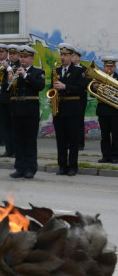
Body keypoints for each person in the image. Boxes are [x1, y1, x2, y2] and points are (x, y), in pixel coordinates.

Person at [7, 45, 46, 179]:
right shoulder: (15, 71)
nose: (23, 59)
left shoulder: (37, 72)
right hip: (16, 109)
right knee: (18, 140)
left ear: (31, 58)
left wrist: (26, 76)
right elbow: (7, 91)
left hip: (30, 111)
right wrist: (9, 81)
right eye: (21, 57)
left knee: (29, 141)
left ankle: (30, 168)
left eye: (25, 57)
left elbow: (40, 86)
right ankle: (20, 168)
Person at [51, 43, 87, 176]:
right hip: (59, 109)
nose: (63, 57)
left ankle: (72, 167)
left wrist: (65, 86)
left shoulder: (79, 71)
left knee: (73, 140)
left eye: (66, 55)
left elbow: (81, 88)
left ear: (72, 56)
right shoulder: (57, 70)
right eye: (61, 54)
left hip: (73, 109)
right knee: (60, 140)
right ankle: (62, 166)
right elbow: (52, 88)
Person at [93, 55, 118, 163]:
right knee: (104, 135)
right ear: (103, 66)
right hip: (103, 110)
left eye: (111, 67)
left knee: (116, 135)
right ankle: (106, 155)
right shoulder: (99, 79)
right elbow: (93, 95)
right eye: (107, 66)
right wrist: (95, 88)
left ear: (115, 67)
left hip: (115, 111)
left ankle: (115, 156)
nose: (109, 69)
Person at [71, 47, 89, 150]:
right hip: (70, 98)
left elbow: (87, 83)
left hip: (81, 98)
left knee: (79, 121)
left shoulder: (84, 70)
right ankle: (71, 142)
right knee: (71, 121)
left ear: (78, 57)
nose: (72, 58)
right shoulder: (69, 69)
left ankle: (80, 143)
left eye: (73, 56)